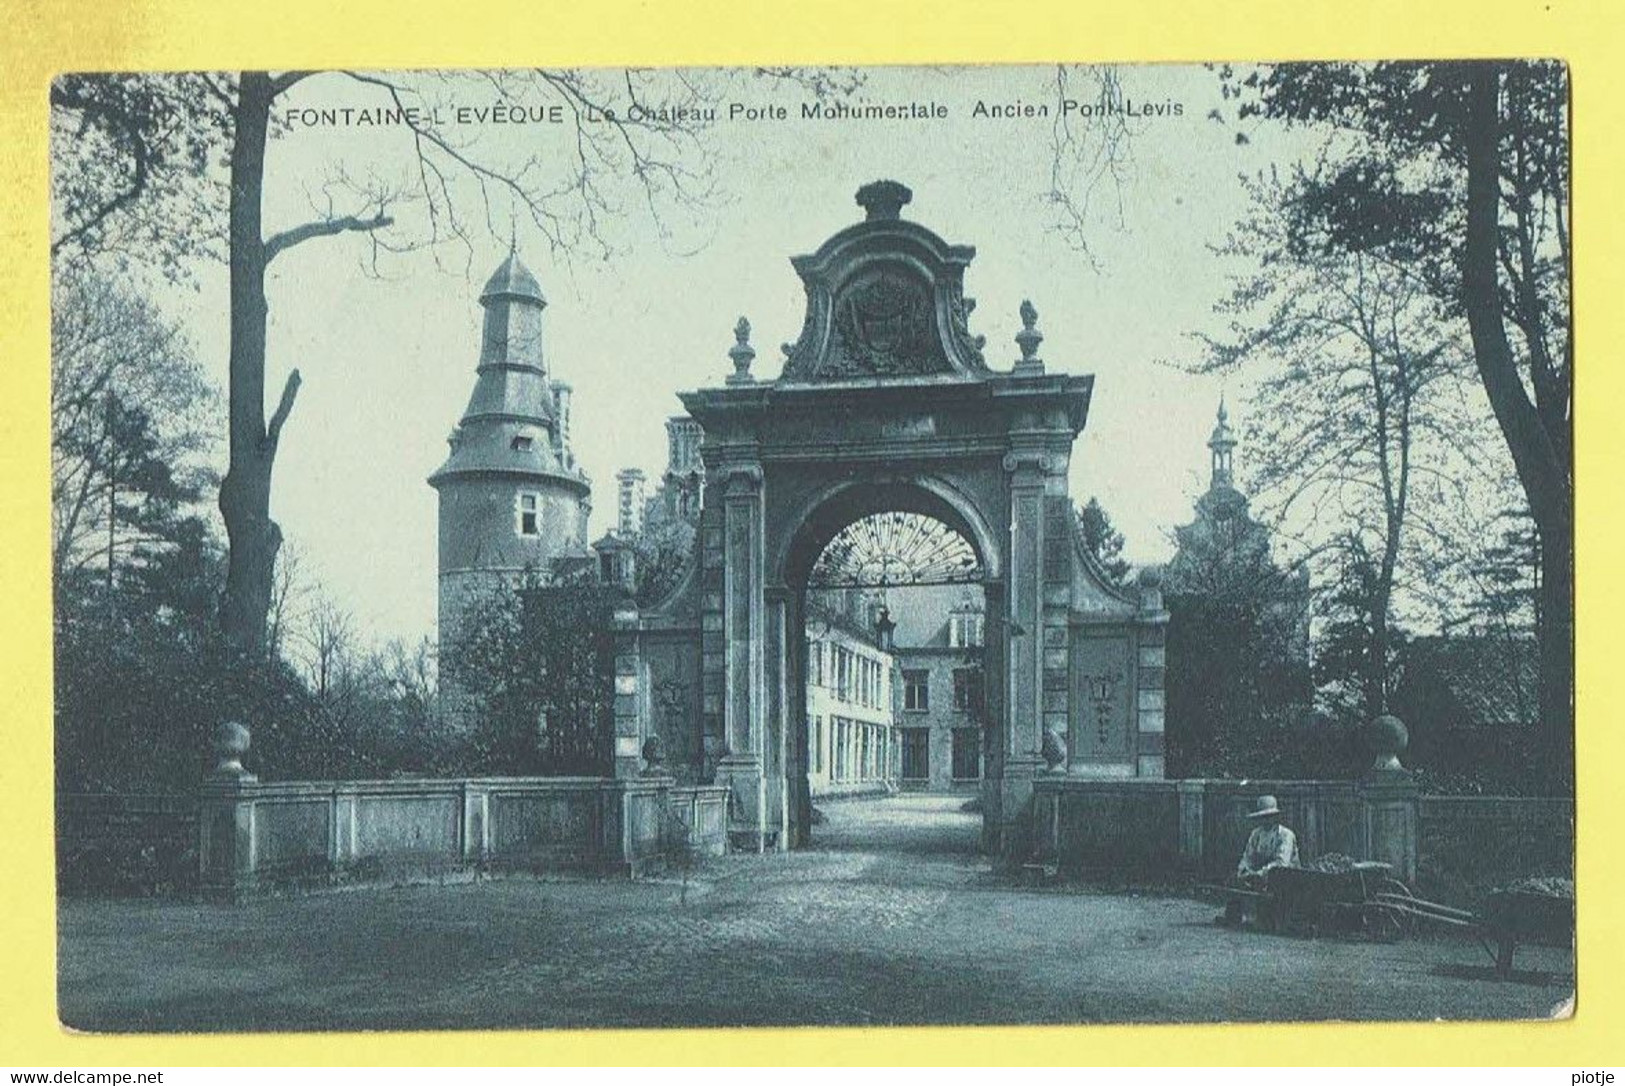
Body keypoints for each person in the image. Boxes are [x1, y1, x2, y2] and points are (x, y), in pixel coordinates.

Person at [1217, 794, 1299, 928]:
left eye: (1269, 817)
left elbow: (1282, 863)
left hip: (1285, 878)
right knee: (1239, 882)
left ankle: (1270, 917)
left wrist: (1260, 874)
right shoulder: (1256, 834)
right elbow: (1247, 857)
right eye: (1263, 817)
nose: (1266, 820)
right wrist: (1244, 871)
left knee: (1276, 881)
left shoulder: (1285, 835)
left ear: (1275, 817)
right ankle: (1241, 914)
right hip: (1260, 878)